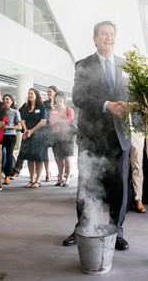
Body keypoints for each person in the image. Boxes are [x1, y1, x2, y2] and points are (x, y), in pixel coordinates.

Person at [62, 20, 131, 251]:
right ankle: (83, 228)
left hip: (120, 136)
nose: (108, 38)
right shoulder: (83, 65)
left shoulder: (126, 65)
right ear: (94, 38)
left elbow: (133, 98)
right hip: (91, 137)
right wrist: (107, 105)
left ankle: (117, 231)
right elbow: (78, 97)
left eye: (112, 34)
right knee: (87, 184)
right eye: (103, 34)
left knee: (119, 187)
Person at [18, 88, 48, 188]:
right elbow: (22, 120)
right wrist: (26, 130)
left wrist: (31, 130)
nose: (30, 95)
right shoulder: (26, 107)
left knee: (38, 158)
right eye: (28, 93)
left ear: (36, 95)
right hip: (28, 134)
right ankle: (31, 179)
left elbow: (43, 121)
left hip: (39, 135)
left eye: (31, 93)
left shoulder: (42, 106)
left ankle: (38, 180)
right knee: (29, 158)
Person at [48, 91, 75, 187]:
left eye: (60, 98)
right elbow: (51, 122)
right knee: (57, 158)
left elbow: (70, 120)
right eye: (57, 98)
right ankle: (60, 178)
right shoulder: (53, 111)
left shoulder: (69, 110)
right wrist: (61, 119)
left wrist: (58, 119)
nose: (58, 100)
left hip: (67, 136)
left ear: (64, 99)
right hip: (56, 136)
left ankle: (67, 178)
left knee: (67, 158)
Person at [1, 94, 21, 185]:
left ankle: (7, 175)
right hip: (0, 136)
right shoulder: (0, 111)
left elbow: (19, 126)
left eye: (8, 99)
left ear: (12, 101)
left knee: (9, 155)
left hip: (10, 136)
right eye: (4, 99)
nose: (5, 101)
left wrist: (8, 127)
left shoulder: (15, 112)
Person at [43, 85, 58, 182]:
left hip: (56, 130)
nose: (48, 94)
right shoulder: (44, 103)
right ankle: (47, 172)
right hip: (46, 130)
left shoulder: (59, 102)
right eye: (47, 92)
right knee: (44, 152)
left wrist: (53, 105)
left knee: (57, 153)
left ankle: (60, 173)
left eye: (50, 92)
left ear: (55, 92)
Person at [130, 127, 146, 213]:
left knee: (137, 165)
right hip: (119, 127)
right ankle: (120, 200)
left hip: (137, 127)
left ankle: (138, 199)